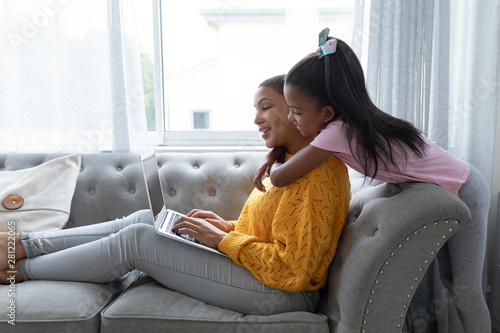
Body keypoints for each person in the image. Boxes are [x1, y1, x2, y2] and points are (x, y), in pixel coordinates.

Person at [0, 74, 350, 316]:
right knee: (143, 221)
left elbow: (294, 271)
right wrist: (226, 229)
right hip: (266, 278)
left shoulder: (317, 177)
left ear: (297, 107)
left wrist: (221, 241)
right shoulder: (289, 162)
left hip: (283, 295)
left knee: (138, 240)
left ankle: (19, 270)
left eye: (265, 107)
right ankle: (22, 243)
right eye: (256, 109)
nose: (257, 119)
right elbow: (274, 234)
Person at [254, 28, 491, 332]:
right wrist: (271, 153)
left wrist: (270, 157)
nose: (292, 120)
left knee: (466, 290)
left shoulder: (335, 134)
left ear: (327, 112)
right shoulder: (348, 124)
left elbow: (282, 177)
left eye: (296, 112)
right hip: (459, 186)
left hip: (466, 189)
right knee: (452, 284)